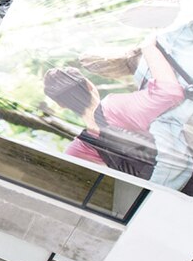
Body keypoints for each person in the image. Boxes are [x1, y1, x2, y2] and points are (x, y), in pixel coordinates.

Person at [43, 37, 184, 176]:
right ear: (89, 85)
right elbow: (169, 92)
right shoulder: (114, 107)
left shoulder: (77, 151)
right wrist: (149, 48)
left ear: (60, 105)